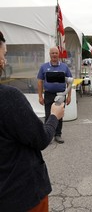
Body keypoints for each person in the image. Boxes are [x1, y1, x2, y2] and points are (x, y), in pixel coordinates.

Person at [0, 31, 65, 211]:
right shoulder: (9, 98)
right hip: (21, 194)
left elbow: (69, 81)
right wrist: (53, 117)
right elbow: (40, 139)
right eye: (4, 55)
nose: (5, 61)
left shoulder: (64, 66)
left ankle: (59, 133)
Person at [37, 47, 72, 144]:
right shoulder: (44, 67)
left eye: (56, 53)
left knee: (59, 115)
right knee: (48, 115)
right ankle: (47, 136)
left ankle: (58, 135)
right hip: (48, 94)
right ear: (49, 54)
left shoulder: (64, 67)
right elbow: (40, 82)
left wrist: (69, 96)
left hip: (61, 95)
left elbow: (70, 82)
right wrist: (40, 96)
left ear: (59, 54)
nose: (54, 55)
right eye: (52, 53)